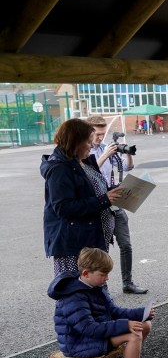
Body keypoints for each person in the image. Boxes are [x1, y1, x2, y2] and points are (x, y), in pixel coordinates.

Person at [49, 247, 162, 358]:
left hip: (94, 335)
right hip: (79, 343)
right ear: (85, 273)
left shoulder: (96, 285)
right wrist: (126, 324)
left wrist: (141, 313)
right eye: (103, 274)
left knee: (145, 325)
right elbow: (88, 328)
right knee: (134, 334)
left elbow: (114, 311)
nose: (107, 278)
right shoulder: (73, 296)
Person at [41, 118, 122, 276]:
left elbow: (92, 190)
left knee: (96, 283)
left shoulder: (82, 161)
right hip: (75, 244)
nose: (92, 145)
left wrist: (115, 192)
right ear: (76, 141)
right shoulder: (59, 169)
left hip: (93, 237)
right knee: (75, 287)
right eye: (88, 141)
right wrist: (104, 200)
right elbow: (63, 207)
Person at [87, 115, 148, 294]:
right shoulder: (85, 151)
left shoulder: (107, 147)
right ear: (89, 132)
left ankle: (127, 283)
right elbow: (88, 172)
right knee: (100, 248)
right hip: (98, 204)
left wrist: (127, 153)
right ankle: (98, 286)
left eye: (103, 134)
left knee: (126, 244)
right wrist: (106, 155)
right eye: (98, 134)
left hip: (114, 201)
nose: (100, 137)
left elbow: (128, 167)